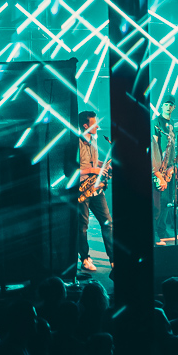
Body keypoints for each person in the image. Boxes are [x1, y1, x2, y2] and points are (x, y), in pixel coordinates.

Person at [77, 111, 113, 272]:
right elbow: (71, 170)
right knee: (82, 226)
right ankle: (85, 258)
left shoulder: (94, 140)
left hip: (96, 189)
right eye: (94, 123)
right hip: (82, 189)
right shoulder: (76, 143)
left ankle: (113, 259)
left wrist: (103, 165)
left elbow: (93, 161)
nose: (97, 126)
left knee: (108, 222)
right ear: (85, 125)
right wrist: (93, 170)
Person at [152, 96, 178, 243]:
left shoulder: (172, 123)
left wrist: (173, 166)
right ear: (162, 106)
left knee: (167, 200)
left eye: (171, 105)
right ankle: (154, 233)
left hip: (169, 167)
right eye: (166, 104)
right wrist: (157, 171)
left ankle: (162, 230)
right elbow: (154, 146)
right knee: (158, 202)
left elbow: (172, 147)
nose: (168, 107)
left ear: (174, 107)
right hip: (159, 168)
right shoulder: (156, 122)